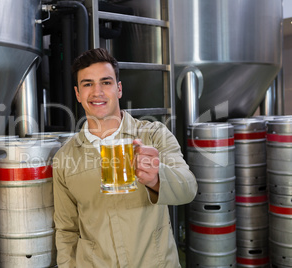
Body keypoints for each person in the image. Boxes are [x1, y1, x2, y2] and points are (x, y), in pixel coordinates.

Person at [52, 48, 197, 267]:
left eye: (106, 82)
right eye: (88, 84)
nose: (97, 92)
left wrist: (157, 178)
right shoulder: (65, 158)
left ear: (119, 89)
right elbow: (66, 230)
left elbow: (188, 188)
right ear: (78, 94)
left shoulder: (154, 135)